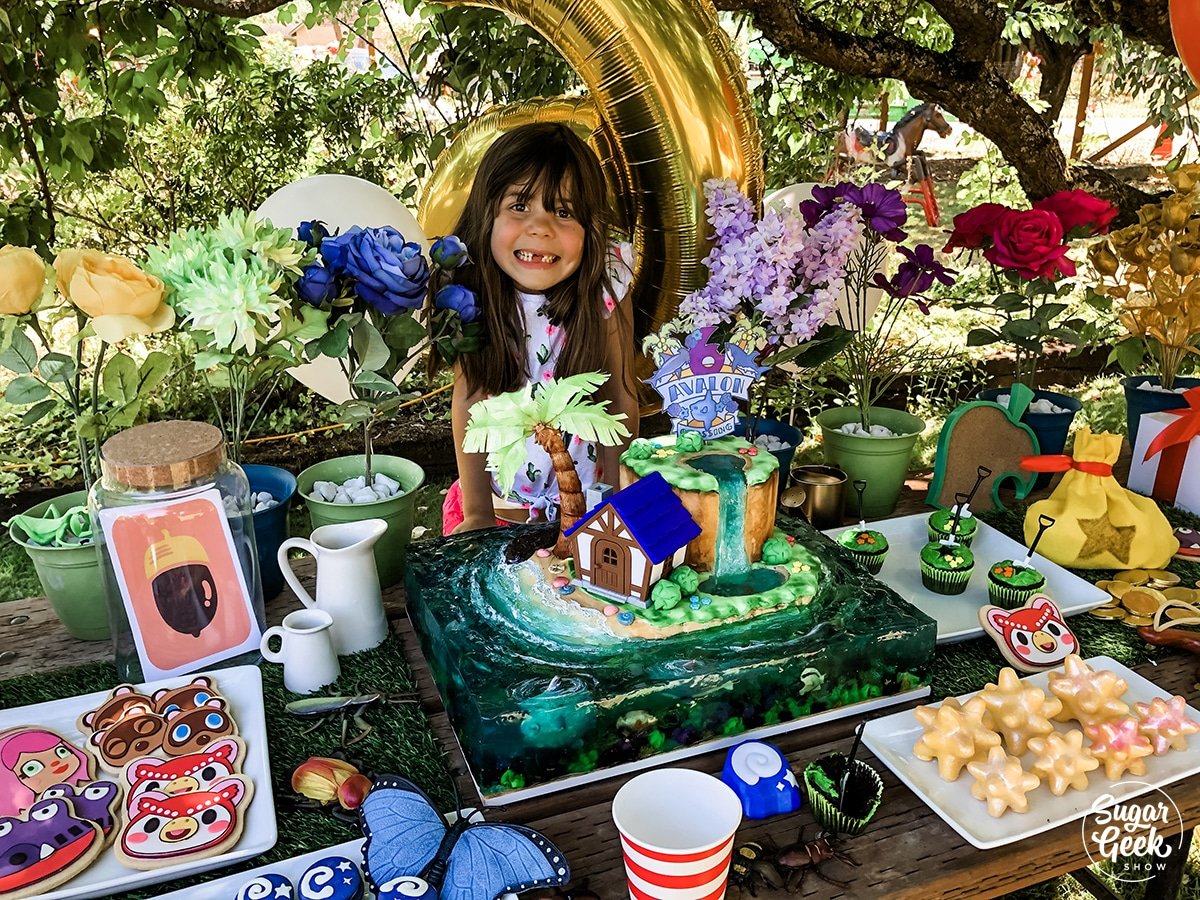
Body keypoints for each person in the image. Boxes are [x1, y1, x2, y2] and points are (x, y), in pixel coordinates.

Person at [441, 122, 638, 535]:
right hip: (496, 509)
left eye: (564, 212)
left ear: (590, 229)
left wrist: (621, 503)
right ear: (487, 211)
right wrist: (477, 513)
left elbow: (618, 397)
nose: (541, 227)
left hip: (588, 512)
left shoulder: (604, 286)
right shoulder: (468, 290)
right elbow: (469, 399)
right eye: (519, 205)